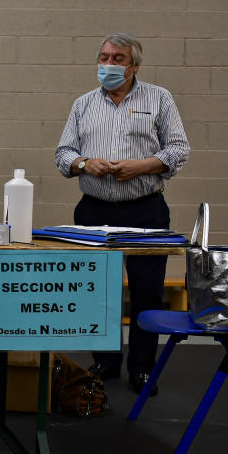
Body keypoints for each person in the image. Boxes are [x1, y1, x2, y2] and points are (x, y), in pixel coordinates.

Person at [55, 33, 190, 396]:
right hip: (94, 210)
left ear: (134, 67)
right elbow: (63, 153)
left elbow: (179, 148)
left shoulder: (159, 98)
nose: (109, 65)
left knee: (147, 292)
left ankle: (142, 367)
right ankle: (106, 360)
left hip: (145, 209)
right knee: (98, 290)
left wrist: (143, 166)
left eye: (117, 59)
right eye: (103, 57)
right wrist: (84, 163)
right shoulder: (83, 104)